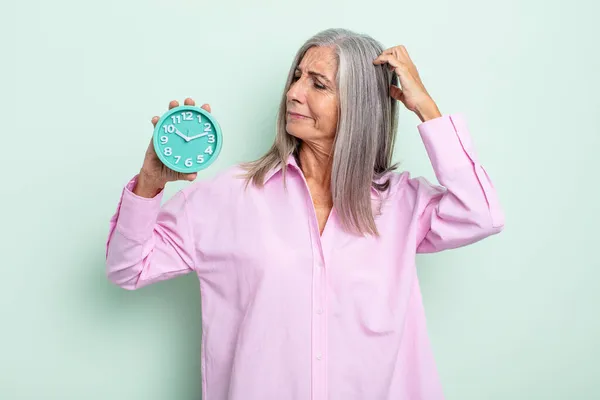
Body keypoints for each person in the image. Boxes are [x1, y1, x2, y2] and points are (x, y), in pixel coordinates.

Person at [105, 28, 504, 400]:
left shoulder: (400, 203)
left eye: (318, 84)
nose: (294, 93)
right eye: (296, 77)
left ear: (359, 105)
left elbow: (481, 214)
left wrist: (427, 109)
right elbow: (128, 268)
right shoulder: (230, 196)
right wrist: (149, 184)